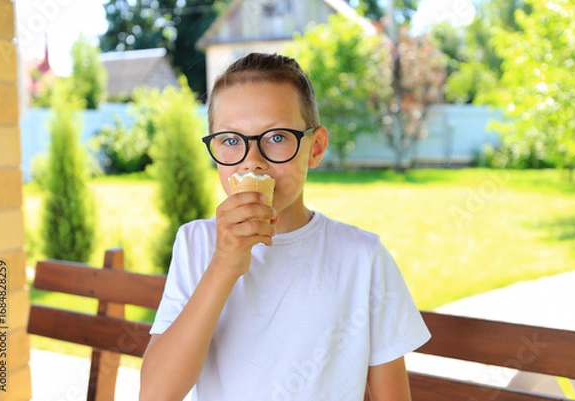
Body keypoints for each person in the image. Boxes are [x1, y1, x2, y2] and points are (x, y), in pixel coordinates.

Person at [140, 52, 430, 401]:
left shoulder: (361, 259)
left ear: (315, 147)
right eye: (231, 140)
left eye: (276, 137)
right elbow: (156, 393)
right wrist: (223, 266)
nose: (253, 161)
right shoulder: (196, 244)